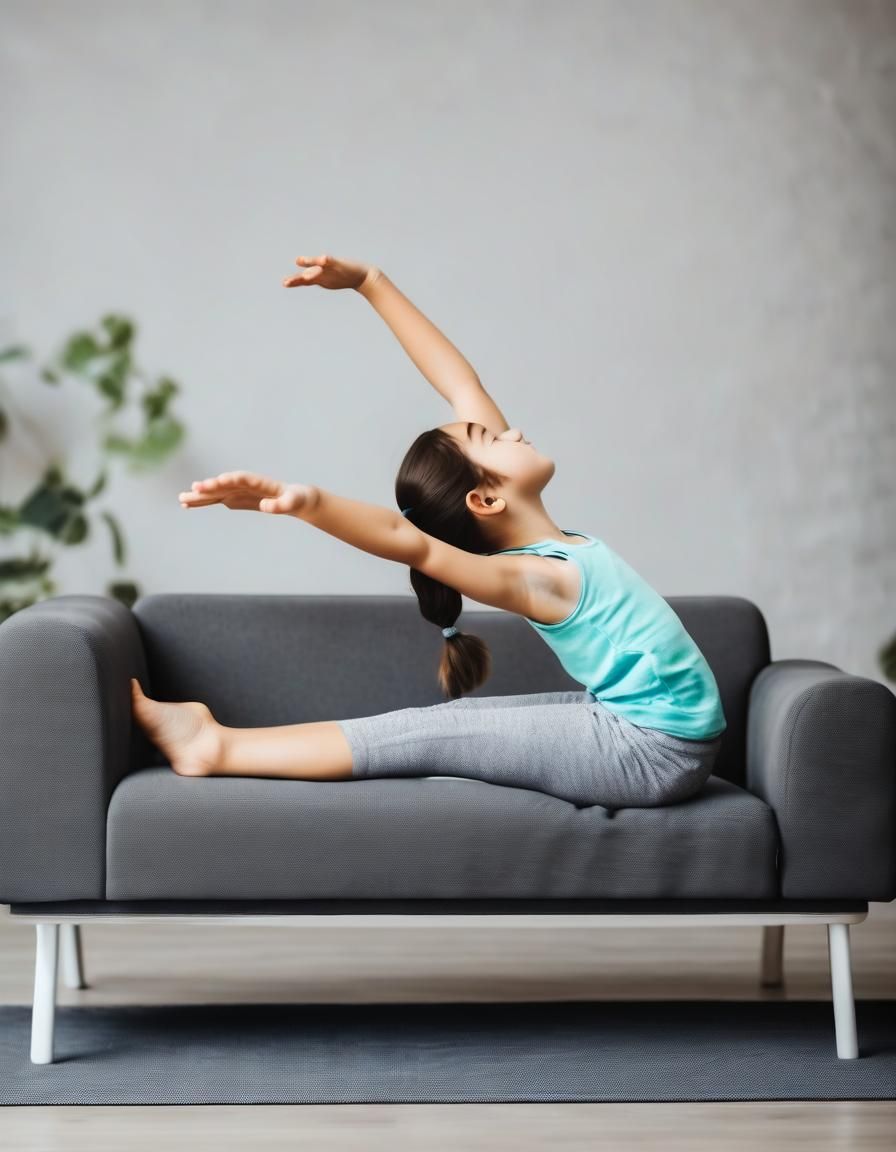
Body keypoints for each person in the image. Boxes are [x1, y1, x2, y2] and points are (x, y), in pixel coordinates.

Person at [130, 252, 726, 809]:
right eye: (495, 440)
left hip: (655, 747)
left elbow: (460, 385)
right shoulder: (535, 577)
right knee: (429, 731)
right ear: (485, 497)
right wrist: (306, 502)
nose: (513, 432)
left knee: (448, 729)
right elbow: (407, 538)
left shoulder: (543, 553)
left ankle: (216, 744)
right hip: (651, 750)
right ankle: (215, 747)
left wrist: (372, 284)